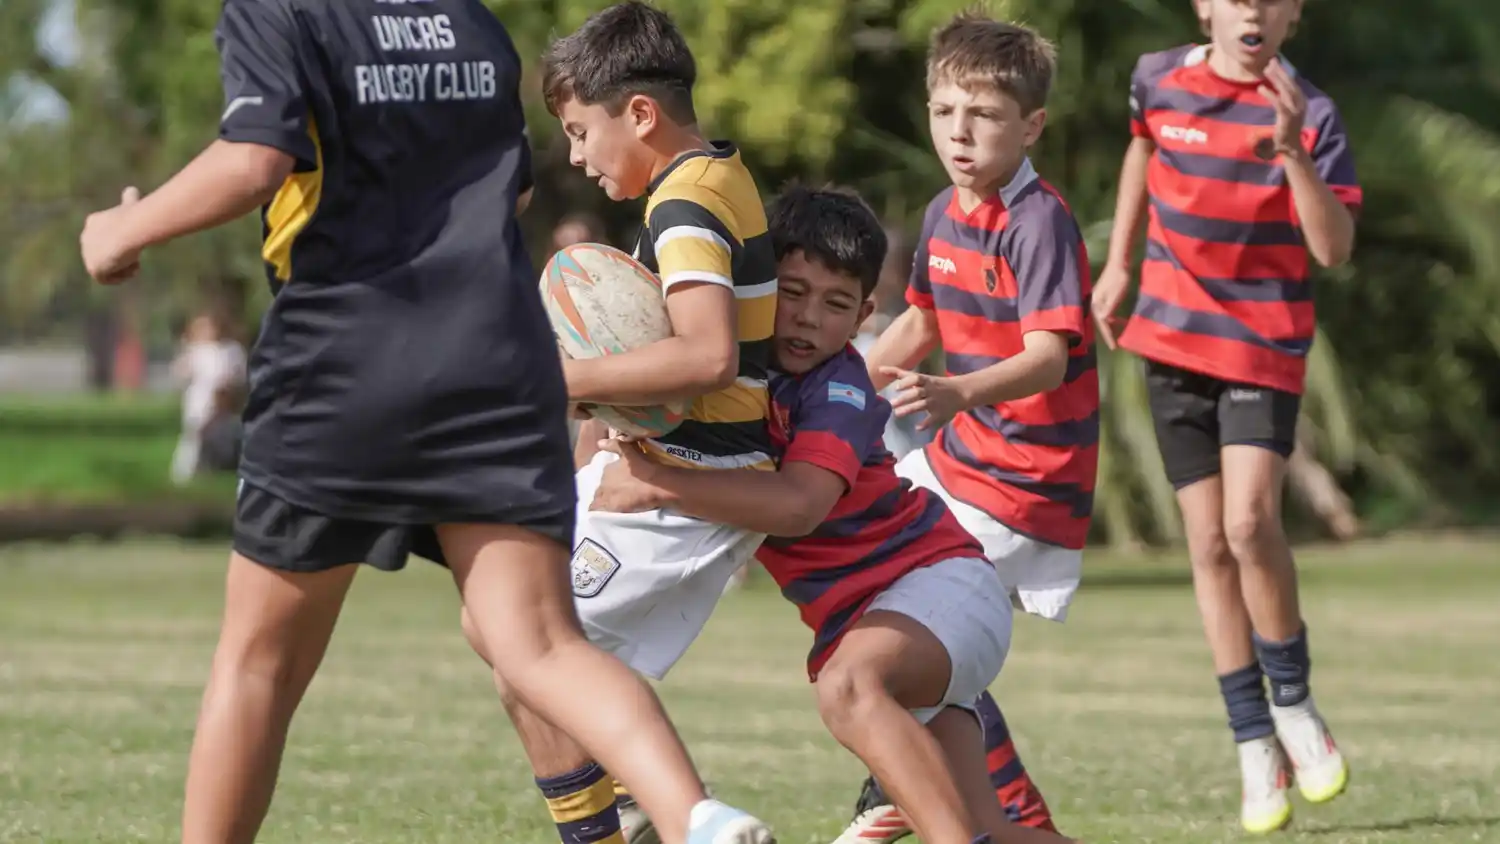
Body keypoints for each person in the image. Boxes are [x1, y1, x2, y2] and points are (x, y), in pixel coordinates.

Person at [77, 2, 769, 843]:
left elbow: (255, 160)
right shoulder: (470, 22)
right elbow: (510, 189)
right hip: (492, 360)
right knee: (543, 646)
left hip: (344, 363)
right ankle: (696, 815)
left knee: (260, 663)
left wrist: (121, 229)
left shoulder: (284, 13)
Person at [587, 185, 1073, 844]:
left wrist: (657, 483)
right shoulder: (734, 378)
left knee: (847, 688)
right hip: (883, 623)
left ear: (865, 314)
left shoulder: (839, 390)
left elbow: (799, 506)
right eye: (792, 292)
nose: (809, 318)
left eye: (836, 304)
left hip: (941, 589)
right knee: (994, 831)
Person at [456, 4, 777, 844]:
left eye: (578, 132)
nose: (574, 156)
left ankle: (674, 811)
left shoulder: (684, 208)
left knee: (530, 642)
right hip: (668, 465)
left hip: (686, 480)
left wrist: (559, 382)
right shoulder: (714, 178)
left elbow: (706, 356)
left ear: (638, 114)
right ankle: (638, 807)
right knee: (504, 627)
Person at [1090, 0, 1358, 833]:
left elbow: (1334, 248)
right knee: (1206, 543)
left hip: (1262, 344)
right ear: (1206, 7)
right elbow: (1142, 149)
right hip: (1170, 340)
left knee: (1248, 524)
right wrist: (1120, 262)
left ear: (1293, 14)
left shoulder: (1312, 112)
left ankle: (1296, 702)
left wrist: (1291, 150)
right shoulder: (1156, 80)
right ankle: (1251, 741)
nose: (1254, 11)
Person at [855, 12, 1101, 841]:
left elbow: (1048, 359)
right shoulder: (942, 211)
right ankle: (954, 803)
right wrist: (828, 395)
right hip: (959, 462)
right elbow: (920, 324)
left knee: (911, 634)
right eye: (945, 111)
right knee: (858, 569)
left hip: (1026, 481)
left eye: (985, 114)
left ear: (1031, 126)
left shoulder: (1037, 222)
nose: (960, 132)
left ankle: (948, 806)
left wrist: (958, 393)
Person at [169, 312, 246, 484]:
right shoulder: (195, 351)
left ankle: (217, 466)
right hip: (200, 401)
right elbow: (180, 374)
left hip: (225, 401)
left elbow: (239, 376)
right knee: (195, 435)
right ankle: (184, 472)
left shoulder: (231, 350)